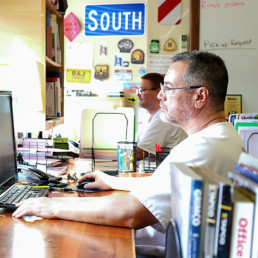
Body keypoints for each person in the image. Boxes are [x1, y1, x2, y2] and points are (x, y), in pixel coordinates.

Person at [13, 51, 246, 257]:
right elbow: (162, 187)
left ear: (200, 97)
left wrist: (52, 206)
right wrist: (111, 181)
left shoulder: (205, 147)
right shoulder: (217, 138)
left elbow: (132, 213)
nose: (161, 96)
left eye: (169, 88)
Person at [135, 73, 187, 160]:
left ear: (158, 92)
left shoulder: (163, 118)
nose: (138, 95)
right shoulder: (148, 117)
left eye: (142, 90)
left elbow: (139, 153)